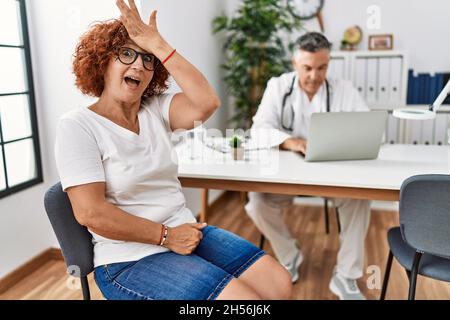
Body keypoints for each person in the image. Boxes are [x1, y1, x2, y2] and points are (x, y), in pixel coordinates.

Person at [54, 0, 292, 300]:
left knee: (278, 284)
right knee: (243, 303)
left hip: (186, 231)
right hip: (129, 258)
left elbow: (207, 103)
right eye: (126, 54)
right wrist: (167, 236)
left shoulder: (156, 110)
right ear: (102, 62)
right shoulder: (78, 126)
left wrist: (158, 43)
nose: (139, 64)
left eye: (148, 58)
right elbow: (91, 213)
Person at [244, 32, 371, 300]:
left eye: (322, 67)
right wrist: (293, 142)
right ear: (294, 63)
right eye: (308, 68)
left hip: (333, 176)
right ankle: (290, 255)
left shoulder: (343, 89)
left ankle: (346, 276)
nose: (315, 76)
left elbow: (369, 130)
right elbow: (259, 130)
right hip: (288, 177)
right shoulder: (278, 86)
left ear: (329, 63)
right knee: (256, 202)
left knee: (359, 200)